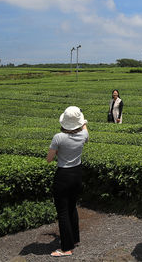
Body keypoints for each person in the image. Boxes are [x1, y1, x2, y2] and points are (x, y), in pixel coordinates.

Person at [47, 106, 89, 257]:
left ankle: (66, 248)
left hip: (63, 175)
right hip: (77, 174)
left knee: (63, 212)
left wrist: (58, 150)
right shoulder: (83, 135)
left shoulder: (58, 137)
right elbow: (85, 128)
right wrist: (83, 121)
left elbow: (49, 159)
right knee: (72, 208)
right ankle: (75, 239)